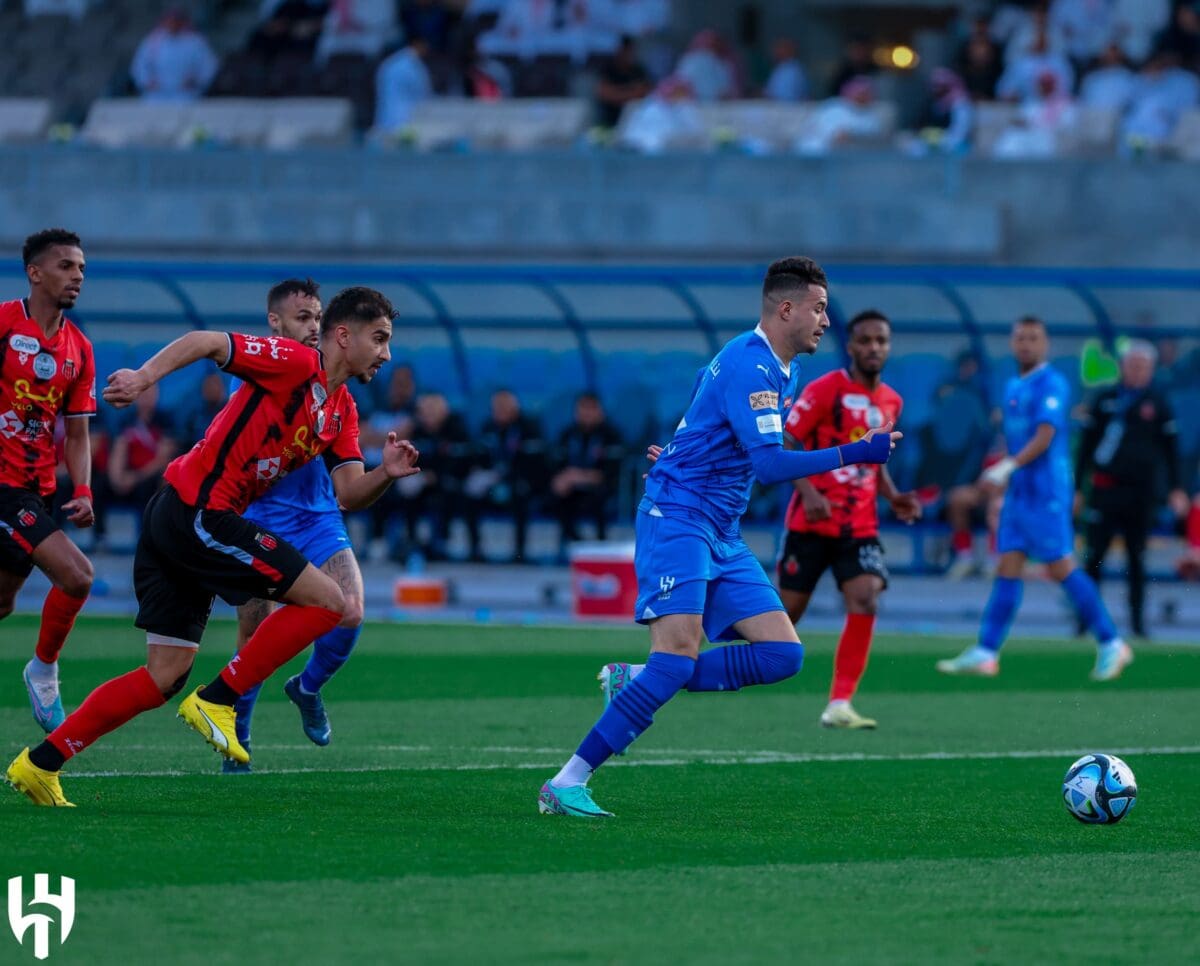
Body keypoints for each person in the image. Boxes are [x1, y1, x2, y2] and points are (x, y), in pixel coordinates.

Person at [5, 287, 420, 807]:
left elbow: (349, 493)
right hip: (199, 512)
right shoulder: (293, 361)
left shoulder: (340, 410)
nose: (386, 353)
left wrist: (387, 472)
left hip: (177, 516)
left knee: (163, 676)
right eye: (379, 339)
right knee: (331, 601)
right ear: (344, 335)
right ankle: (218, 698)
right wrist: (142, 378)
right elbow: (206, 341)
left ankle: (40, 763)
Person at [538, 256, 901, 819]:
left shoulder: (780, 368)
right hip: (680, 518)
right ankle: (566, 781)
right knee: (678, 658)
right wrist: (859, 450)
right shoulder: (751, 366)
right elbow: (773, 464)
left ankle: (636, 680)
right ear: (787, 309)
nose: (826, 321)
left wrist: (681, 455)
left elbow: (702, 421)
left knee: (783, 654)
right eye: (819, 308)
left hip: (719, 527)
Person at [223, 278, 376, 773]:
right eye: (302, 319)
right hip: (258, 517)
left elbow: (347, 479)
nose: (312, 328)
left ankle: (307, 688)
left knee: (350, 610)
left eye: (317, 320)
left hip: (316, 515)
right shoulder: (260, 370)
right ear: (275, 322)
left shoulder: (335, 385)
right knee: (255, 633)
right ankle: (236, 741)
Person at [937, 315, 1132, 682]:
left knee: (1061, 567)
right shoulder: (1013, 385)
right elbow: (1015, 438)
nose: (1026, 344)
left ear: (1045, 345)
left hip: (1046, 492)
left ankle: (1112, 642)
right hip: (1019, 492)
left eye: (1033, 338)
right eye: (1020, 338)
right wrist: (1004, 473)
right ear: (1012, 343)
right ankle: (986, 651)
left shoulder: (1052, 383)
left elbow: (1044, 436)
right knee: (1007, 565)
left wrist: (1006, 467)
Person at [777, 309, 921, 730]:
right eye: (865, 340)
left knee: (865, 597)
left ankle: (839, 702)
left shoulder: (892, 400)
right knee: (782, 621)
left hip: (858, 525)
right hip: (811, 522)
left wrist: (892, 496)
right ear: (851, 346)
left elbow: (874, 460)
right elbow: (786, 440)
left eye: (881, 340)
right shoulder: (826, 390)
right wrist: (808, 490)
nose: (874, 348)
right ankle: (685, 664)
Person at [0, 229, 96, 735]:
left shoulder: (79, 348)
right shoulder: (1, 324)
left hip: (39, 489)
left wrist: (82, 489)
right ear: (35, 272)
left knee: (2, 602)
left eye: (81, 267)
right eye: (65, 266)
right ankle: (43, 672)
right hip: (2, 486)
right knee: (78, 576)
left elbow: (77, 433)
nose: (77, 275)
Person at [1075, 339, 1188, 638]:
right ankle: (1084, 622)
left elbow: (1171, 450)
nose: (1138, 371)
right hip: (1104, 491)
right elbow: (1085, 449)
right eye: (1133, 365)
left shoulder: (1158, 403)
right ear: (1123, 367)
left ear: (1151, 370)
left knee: (1136, 560)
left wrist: (1177, 488)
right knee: (1094, 558)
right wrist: (1077, 488)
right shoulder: (1104, 400)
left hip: (1141, 494)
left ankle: (1138, 625)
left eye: (1143, 366)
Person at [464, 388, 546, 562]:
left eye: (504, 406)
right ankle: (475, 550)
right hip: (492, 483)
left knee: (521, 494)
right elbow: (478, 457)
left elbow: (534, 464)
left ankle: (520, 552)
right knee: (469, 494)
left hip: (520, 482)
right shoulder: (488, 427)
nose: (500, 411)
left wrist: (503, 475)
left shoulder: (529, 427)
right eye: (497, 407)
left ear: (515, 407)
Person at [550, 391, 623, 558]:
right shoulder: (568, 434)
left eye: (591, 409)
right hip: (573, 488)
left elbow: (610, 472)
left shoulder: (611, 435)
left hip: (600, 486)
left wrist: (578, 476)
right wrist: (561, 479)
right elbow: (557, 466)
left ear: (600, 411)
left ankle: (600, 547)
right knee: (555, 496)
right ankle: (578, 543)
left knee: (599, 498)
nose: (586, 413)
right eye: (582, 408)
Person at [106, 382, 178, 514]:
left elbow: (162, 459)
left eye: (150, 393)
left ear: (157, 395)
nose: (147, 397)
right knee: (100, 484)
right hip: (132, 470)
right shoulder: (127, 419)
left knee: (151, 486)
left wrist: (135, 478)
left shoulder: (166, 419)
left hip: (153, 473)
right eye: (143, 393)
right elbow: (119, 451)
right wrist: (117, 479)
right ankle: (100, 532)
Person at [130, 7, 219, 101]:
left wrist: (197, 80)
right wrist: (147, 81)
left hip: (186, 94)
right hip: (157, 94)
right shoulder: (152, 41)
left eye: (176, 20)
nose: (173, 24)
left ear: (182, 21)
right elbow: (139, 66)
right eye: (170, 20)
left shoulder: (195, 42)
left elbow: (210, 66)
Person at [595, 34, 653, 128]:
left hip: (635, 123)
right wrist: (631, 94)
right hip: (608, 122)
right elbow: (605, 94)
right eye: (626, 51)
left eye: (631, 51)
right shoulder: (608, 69)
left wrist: (620, 94)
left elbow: (647, 93)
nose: (629, 55)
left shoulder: (638, 70)